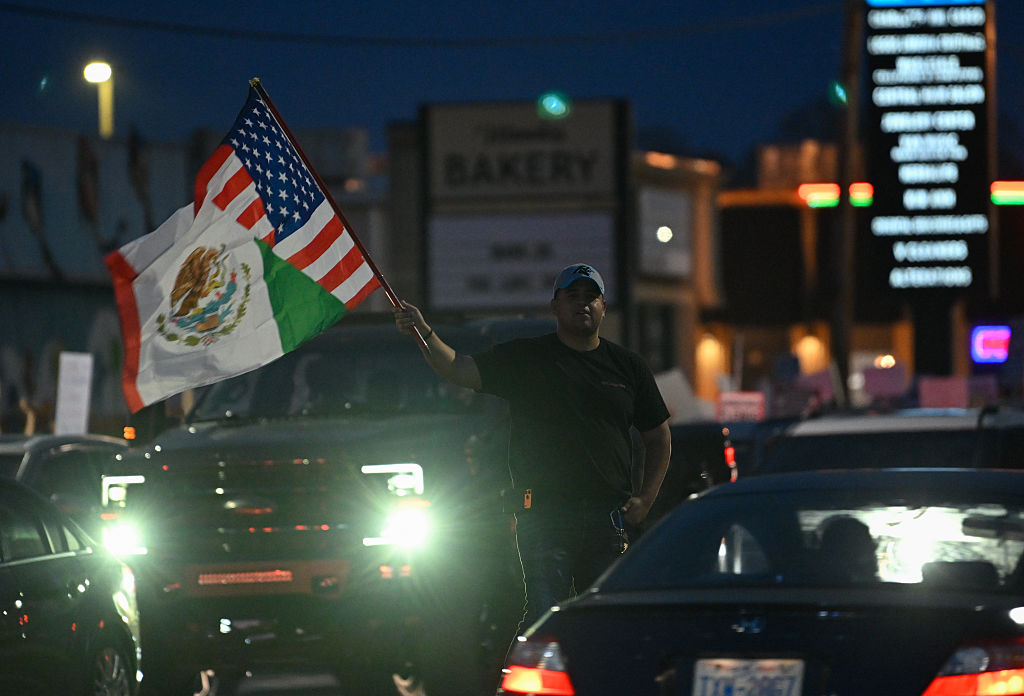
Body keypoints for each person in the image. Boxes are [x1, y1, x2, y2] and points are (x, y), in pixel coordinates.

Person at [394, 263, 672, 630]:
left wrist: (646, 499)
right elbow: (459, 368)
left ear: (604, 307)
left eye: (592, 297)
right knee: (543, 620)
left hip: (610, 520)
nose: (583, 304)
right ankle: (517, 689)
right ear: (554, 306)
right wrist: (423, 331)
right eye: (572, 297)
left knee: (609, 624)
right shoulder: (527, 357)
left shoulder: (628, 366)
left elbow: (659, 437)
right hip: (544, 517)